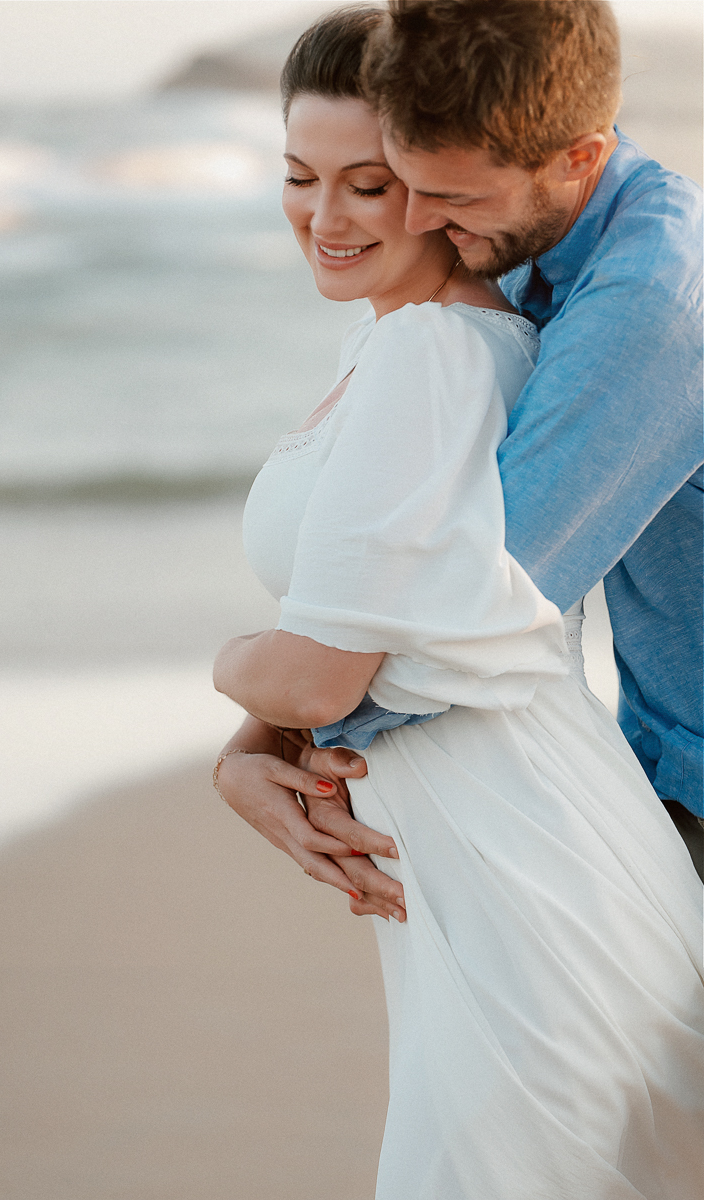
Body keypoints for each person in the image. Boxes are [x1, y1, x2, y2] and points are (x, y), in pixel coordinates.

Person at [212, 6, 704, 1197]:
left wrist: (264, 697)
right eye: (407, 184)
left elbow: (473, 610)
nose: (424, 224)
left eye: (436, 197)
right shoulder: (509, 246)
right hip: (621, 786)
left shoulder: (651, 304)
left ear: (579, 155)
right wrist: (265, 734)